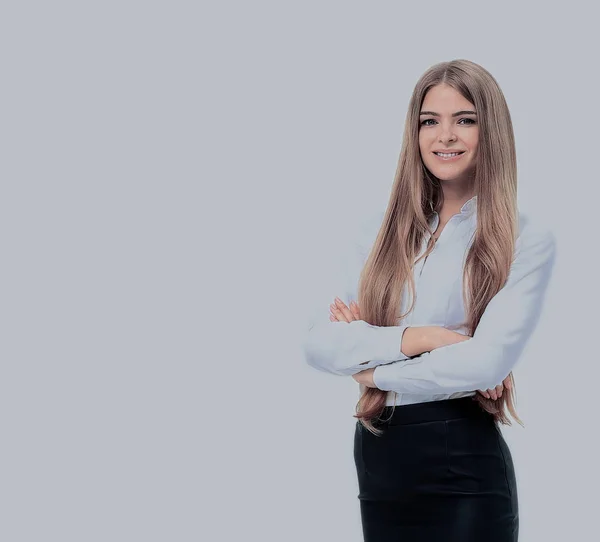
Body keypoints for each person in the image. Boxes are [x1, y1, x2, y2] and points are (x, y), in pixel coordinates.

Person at [301, 59, 557, 541]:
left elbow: (483, 365)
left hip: (462, 461)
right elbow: (317, 344)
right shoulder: (376, 233)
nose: (446, 136)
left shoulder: (523, 239)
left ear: (491, 131)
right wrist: (426, 338)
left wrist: (368, 365)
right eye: (430, 121)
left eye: (465, 119)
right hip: (378, 458)